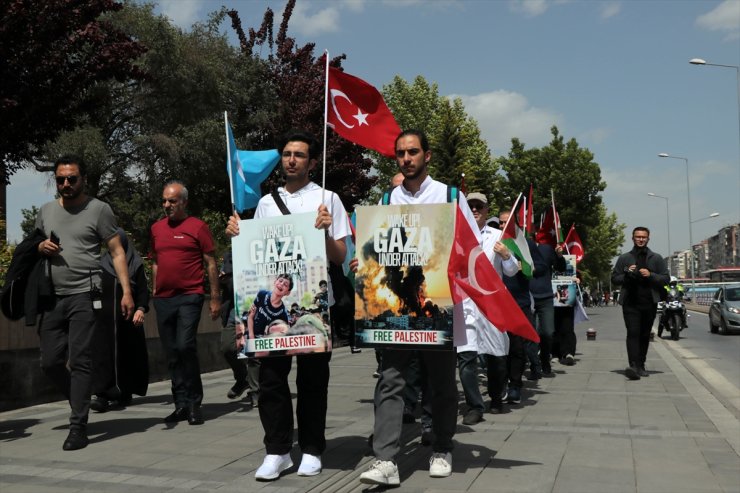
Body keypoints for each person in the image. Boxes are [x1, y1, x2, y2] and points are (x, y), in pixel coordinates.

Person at [226, 129, 350, 481]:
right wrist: (238, 234)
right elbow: (255, 254)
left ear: (312, 162)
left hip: (312, 303)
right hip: (272, 305)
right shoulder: (266, 203)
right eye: (286, 154)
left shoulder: (328, 198)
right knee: (271, 380)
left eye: (298, 154)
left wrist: (325, 233)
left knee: (313, 380)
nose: (291, 159)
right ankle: (277, 450)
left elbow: (340, 256)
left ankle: (311, 448)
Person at [359, 129, 479, 486]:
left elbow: (472, 251)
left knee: (440, 382)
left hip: (437, 305)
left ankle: (441, 446)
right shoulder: (386, 198)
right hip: (395, 308)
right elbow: (373, 248)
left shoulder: (449, 196)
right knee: (391, 380)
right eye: (400, 153)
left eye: (413, 152)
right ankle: (386, 460)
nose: (406, 159)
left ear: (427, 155)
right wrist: (362, 262)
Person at [34, 155, 135, 450]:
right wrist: (40, 246)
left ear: (84, 180)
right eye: (61, 179)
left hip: (85, 294)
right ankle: (80, 398)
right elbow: (33, 247)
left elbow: (117, 252)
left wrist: (126, 291)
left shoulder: (99, 210)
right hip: (52, 296)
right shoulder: (46, 211)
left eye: (72, 179)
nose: (66, 184)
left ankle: (78, 426)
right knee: (50, 362)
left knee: (80, 360)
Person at [150, 180, 221, 425]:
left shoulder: (198, 227)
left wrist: (214, 298)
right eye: (164, 201)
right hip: (163, 299)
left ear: (184, 202)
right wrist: (154, 289)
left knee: (184, 346)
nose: (167, 205)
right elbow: (155, 261)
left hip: (190, 296)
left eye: (172, 201)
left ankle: (193, 403)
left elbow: (210, 262)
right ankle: (179, 403)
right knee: (171, 353)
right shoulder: (157, 228)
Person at [457, 192, 518, 421]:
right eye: (470, 206)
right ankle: (474, 406)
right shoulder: (457, 237)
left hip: (492, 304)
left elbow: (512, 270)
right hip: (465, 303)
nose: (474, 209)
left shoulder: (498, 236)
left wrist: (505, 255)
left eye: (478, 206)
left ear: (486, 210)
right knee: (466, 357)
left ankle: (495, 396)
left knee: (496, 356)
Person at [91, 228, 150, 411]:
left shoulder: (136, 264)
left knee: (127, 355)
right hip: (104, 321)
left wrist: (141, 309)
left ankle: (125, 391)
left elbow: (142, 291)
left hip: (128, 320)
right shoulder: (100, 264)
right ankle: (102, 394)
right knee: (102, 355)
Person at [497, 209, 545, 405]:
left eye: (507, 223)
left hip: (519, 301)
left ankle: (515, 384)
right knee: (499, 347)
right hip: (498, 301)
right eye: (501, 223)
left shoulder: (526, 244)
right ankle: (500, 383)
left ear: (516, 225)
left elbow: (539, 267)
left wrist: (523, 264)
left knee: (517, 346)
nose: (503, 227)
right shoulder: (493, 241)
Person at [611, 227, 669, 380]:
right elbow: (615, 279)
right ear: (633, 238)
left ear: (648, 238)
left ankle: (641, 365)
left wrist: (651, 275)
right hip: (630, 303)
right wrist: (626, 274)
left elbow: (666, 278)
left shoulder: (656, 258)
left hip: (649, 302)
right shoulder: (624, 258)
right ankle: (633, 365)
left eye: (644, 237)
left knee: (644, 335)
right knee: (633, 333)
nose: (641, 239)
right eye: (638, 237)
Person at [218, 251, 259, 406]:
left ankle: (256, 390)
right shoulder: (233, 250)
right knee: (228, 347)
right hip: (234, 307)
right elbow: (225, 278)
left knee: (253, 349)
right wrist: (224, 279)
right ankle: (243, 379)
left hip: (257, 304)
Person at [528, 241, 566, 378]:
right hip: (528, 297)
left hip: (545, 298)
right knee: (531, 335)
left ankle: (545, 361)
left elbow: (560, 268)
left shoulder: (546, 249)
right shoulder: (518, 247)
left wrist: (560, 255)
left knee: (548, 332)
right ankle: (534, 366)